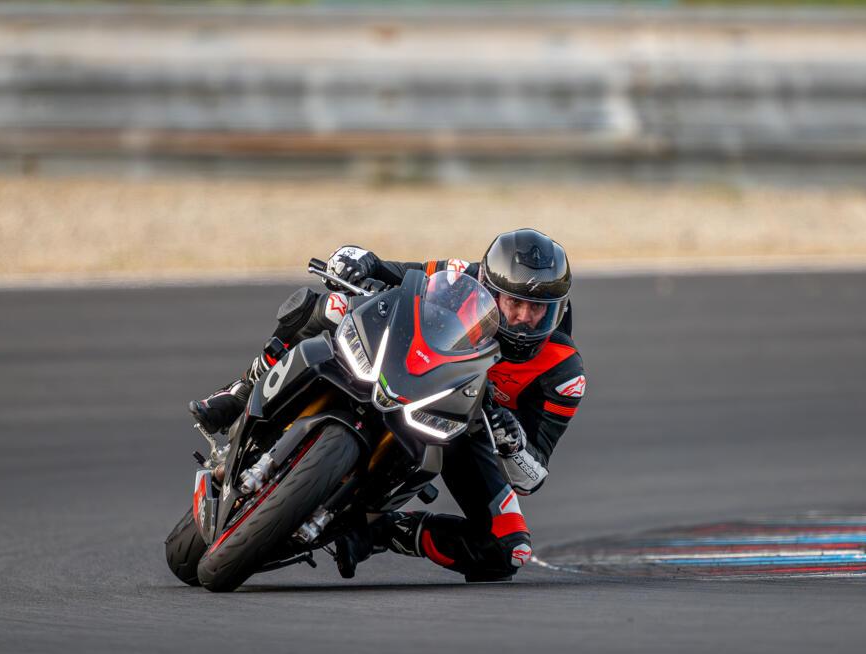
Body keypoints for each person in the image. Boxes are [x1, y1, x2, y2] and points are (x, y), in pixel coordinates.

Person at [190, 229, 585, 582]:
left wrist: (513, 443)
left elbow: (532, 477)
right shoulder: (460, 278)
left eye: (538, 309)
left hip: (463, 429)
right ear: (489, 286)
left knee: (509, 549)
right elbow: (396, 273)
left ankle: (379, 530)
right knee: (333, 304)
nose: (524, 318)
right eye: (514, 302)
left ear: (558, 308)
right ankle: (239, 392)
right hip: (403, 363)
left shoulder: (564, 372)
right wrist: (359, 260)